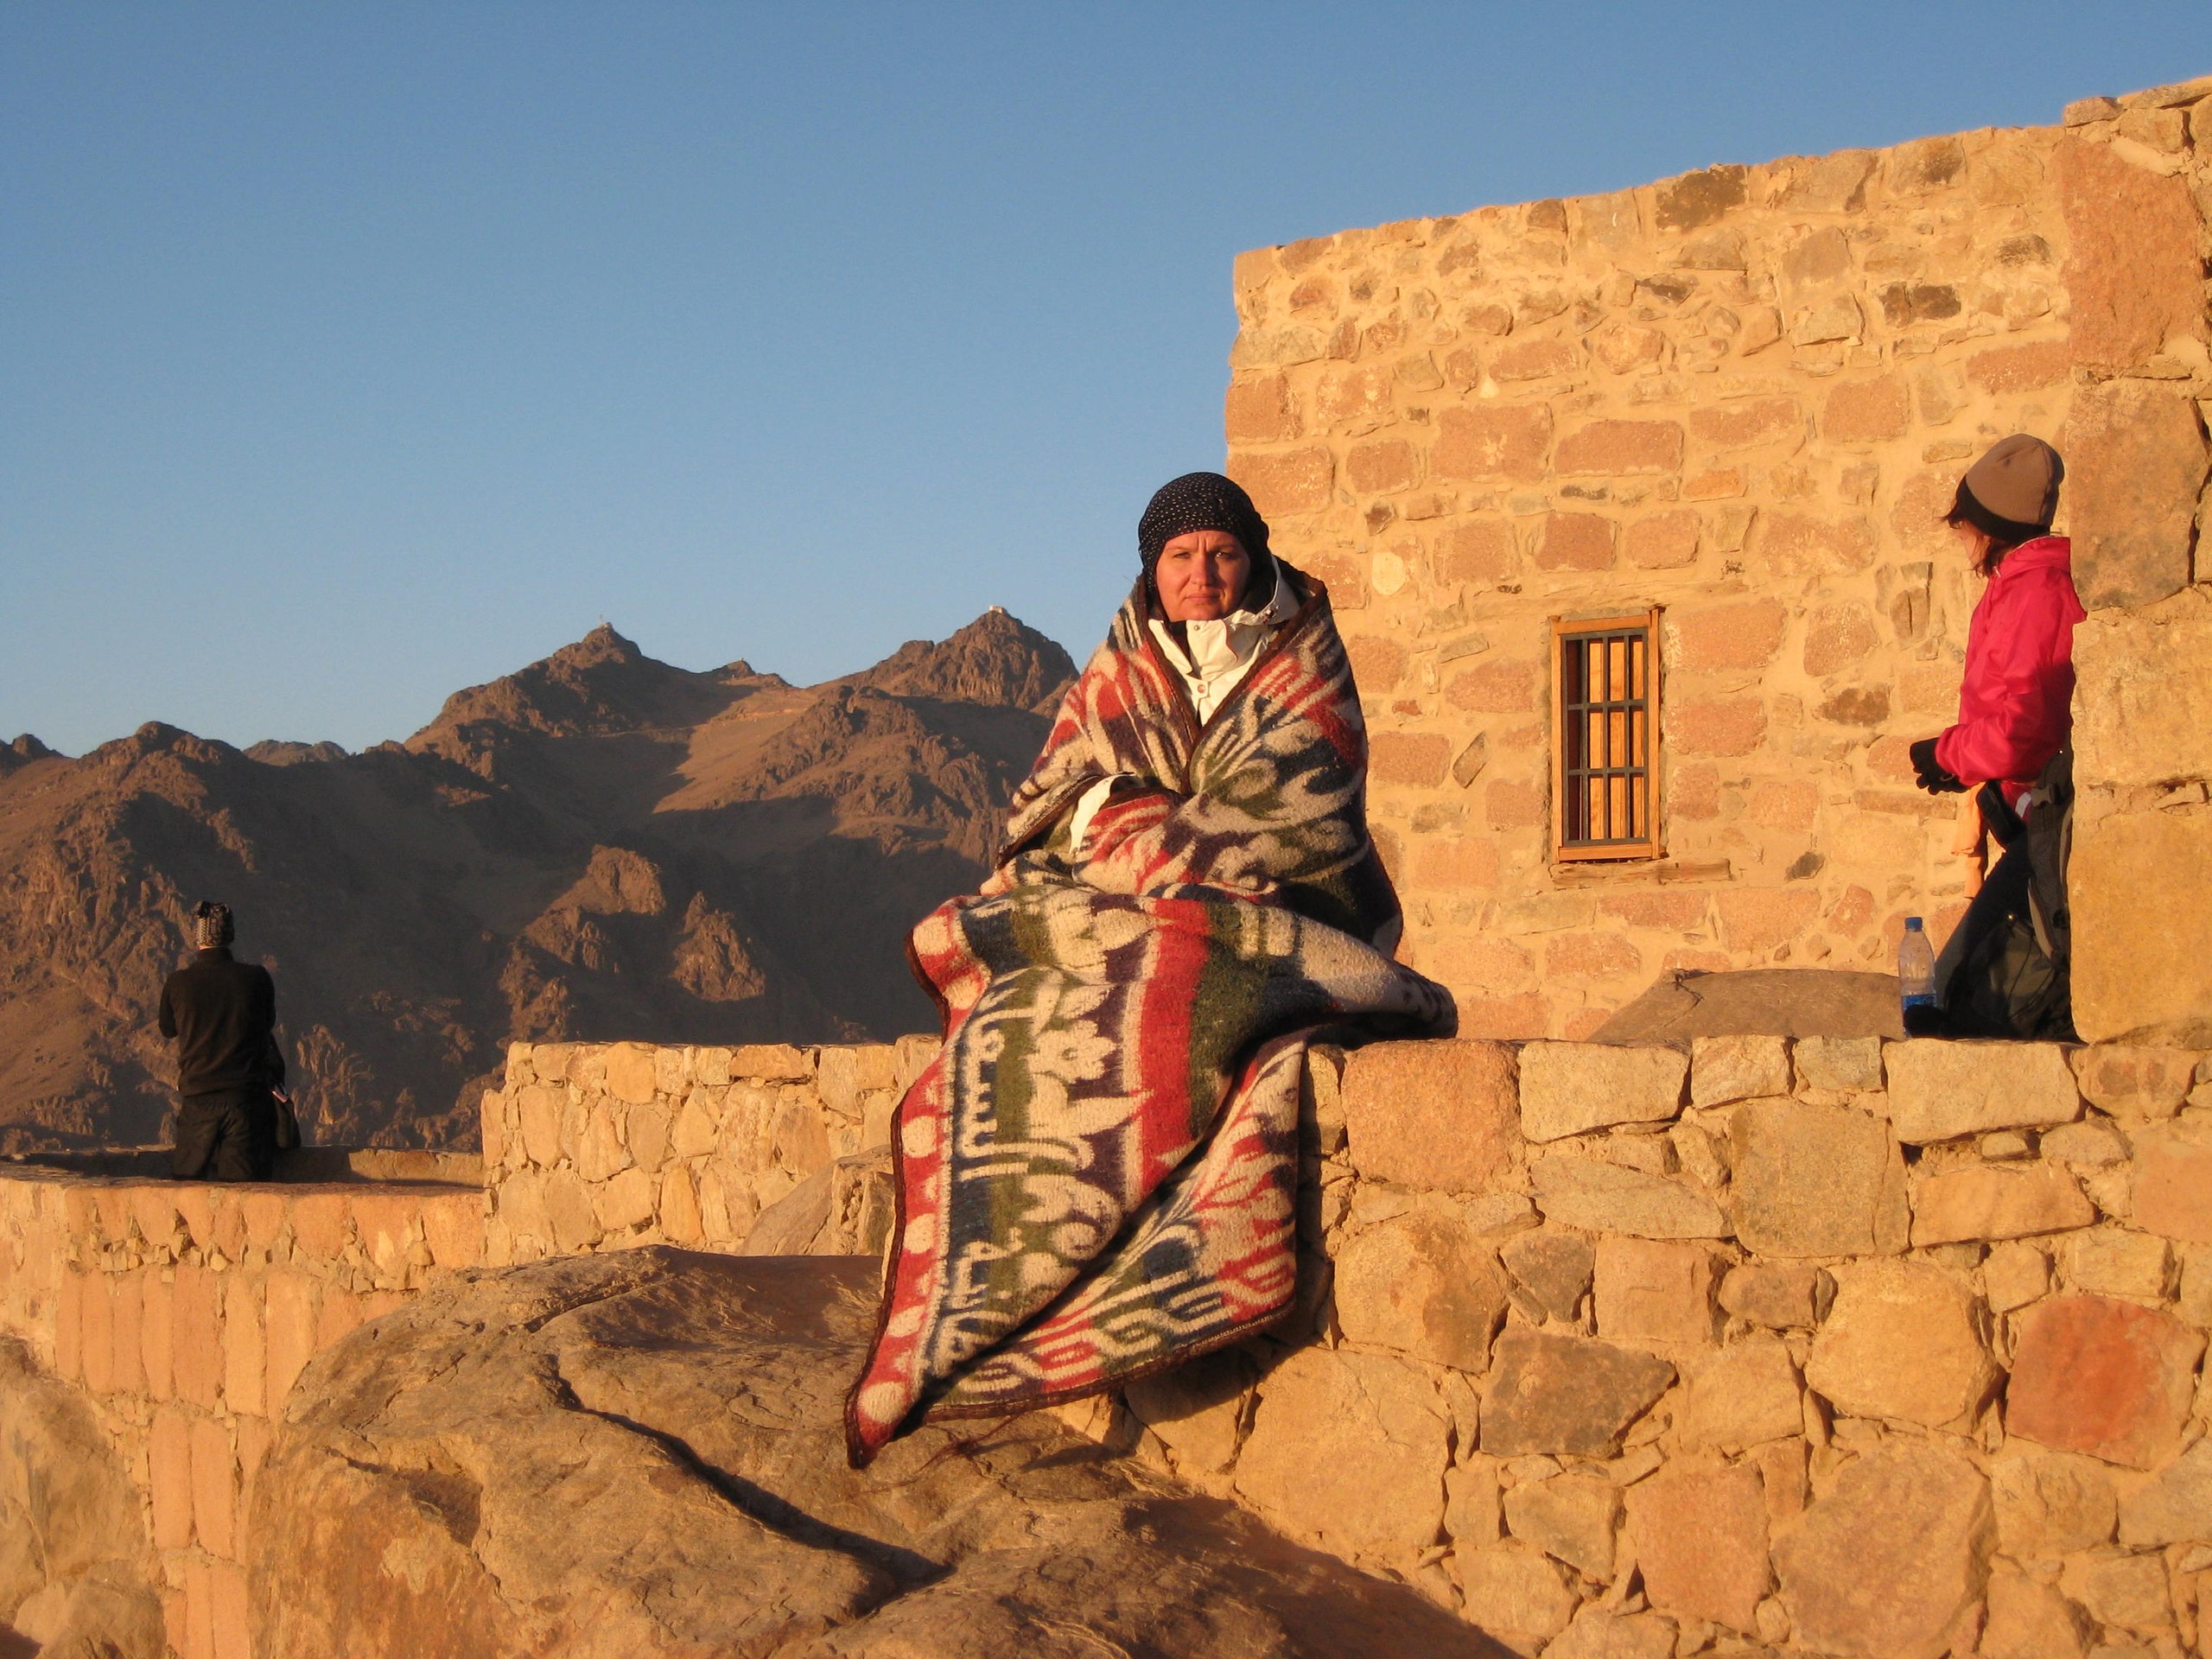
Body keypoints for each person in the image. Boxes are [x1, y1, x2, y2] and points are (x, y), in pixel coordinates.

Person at [845, 472, 1454, 1467]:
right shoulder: (1121, 665)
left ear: (1251, 559)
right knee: (1024, 1012)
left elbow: (1307, 808)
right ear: (1152, 568)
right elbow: (1049, 799)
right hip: (1134, 901)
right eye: (1180, 557)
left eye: (1221, 553)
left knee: (1184, 1003)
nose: (1201, 575)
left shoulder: (1305, 663)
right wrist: (1124, 834)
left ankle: (1099, 1283)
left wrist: (1171, 842)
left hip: (1282, 906)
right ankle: (989, 1293)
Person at [1906, 435, 2083, 1037]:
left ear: (1990, 527)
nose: (1961, 537)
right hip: (2025, 818)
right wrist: (1960, 764)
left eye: (1963, 524)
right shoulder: (2014, 584)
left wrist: (1950, 754)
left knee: (1960, 1008)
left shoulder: (2039, 592)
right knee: (1976, 1003)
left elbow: (2028, 729)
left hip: (2049, 826)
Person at [157, 900, 288, 1179]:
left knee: (188, 1188)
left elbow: (167, 1029)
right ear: (230, 936)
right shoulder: (255, 979)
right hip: (245, 1100)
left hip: (198, 1099)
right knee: (243, 1190)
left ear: (198, 937)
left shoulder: (179, 982)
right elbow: (266, 1023)